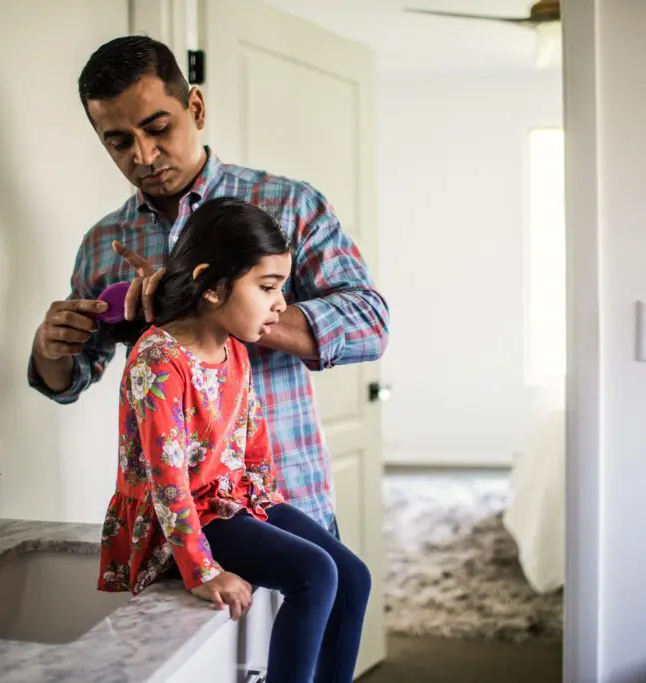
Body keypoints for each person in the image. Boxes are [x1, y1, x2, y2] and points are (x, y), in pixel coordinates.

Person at [29, 35, 389, 534]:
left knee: (330, 595)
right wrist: (50, 349)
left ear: (195, 106)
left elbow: (370, 325)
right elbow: (70, 378)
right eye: (119, 141)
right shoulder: (102, 244)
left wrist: (211, 306)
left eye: (158, 127)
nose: (145, 155)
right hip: (177, 526)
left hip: (286, 499)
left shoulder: (289, 206)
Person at [99, 195, 370, 683]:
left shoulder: (235, 350)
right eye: (267, 287)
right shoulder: (159, 360)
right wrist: (202, 568)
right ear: (211, 285)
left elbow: (254, 448)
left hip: (230, 501)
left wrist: (270, 512)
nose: (281, 303)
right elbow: (167, 483)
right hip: (181, 517)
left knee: (353, 576)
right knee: (315, 574)